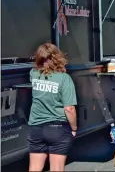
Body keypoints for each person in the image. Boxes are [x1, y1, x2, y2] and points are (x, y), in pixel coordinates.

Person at [28, 43, 77, 172]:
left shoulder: (33, 74)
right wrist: (74, 128)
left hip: (36, 127)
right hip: (58, 128)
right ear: (57, 57)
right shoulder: (64, 79)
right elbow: (69, 109)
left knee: (34, 168)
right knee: (57, 168)